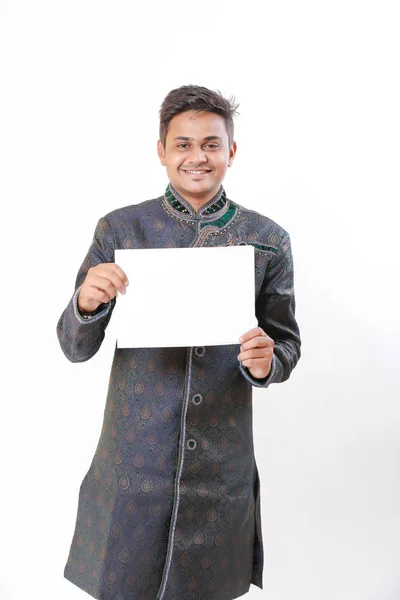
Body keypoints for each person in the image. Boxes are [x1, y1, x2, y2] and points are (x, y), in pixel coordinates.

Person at [57, 84, 301, 600]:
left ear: (230, 152)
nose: (197, 157)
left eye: (211, 144)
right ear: (162, 151)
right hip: (131, 467)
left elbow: (286, 344)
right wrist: (86, 303)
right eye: (183, 144)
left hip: (219, 469)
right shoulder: (122, 229)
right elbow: (75, 347)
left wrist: (267, 362)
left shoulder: (268, 239)